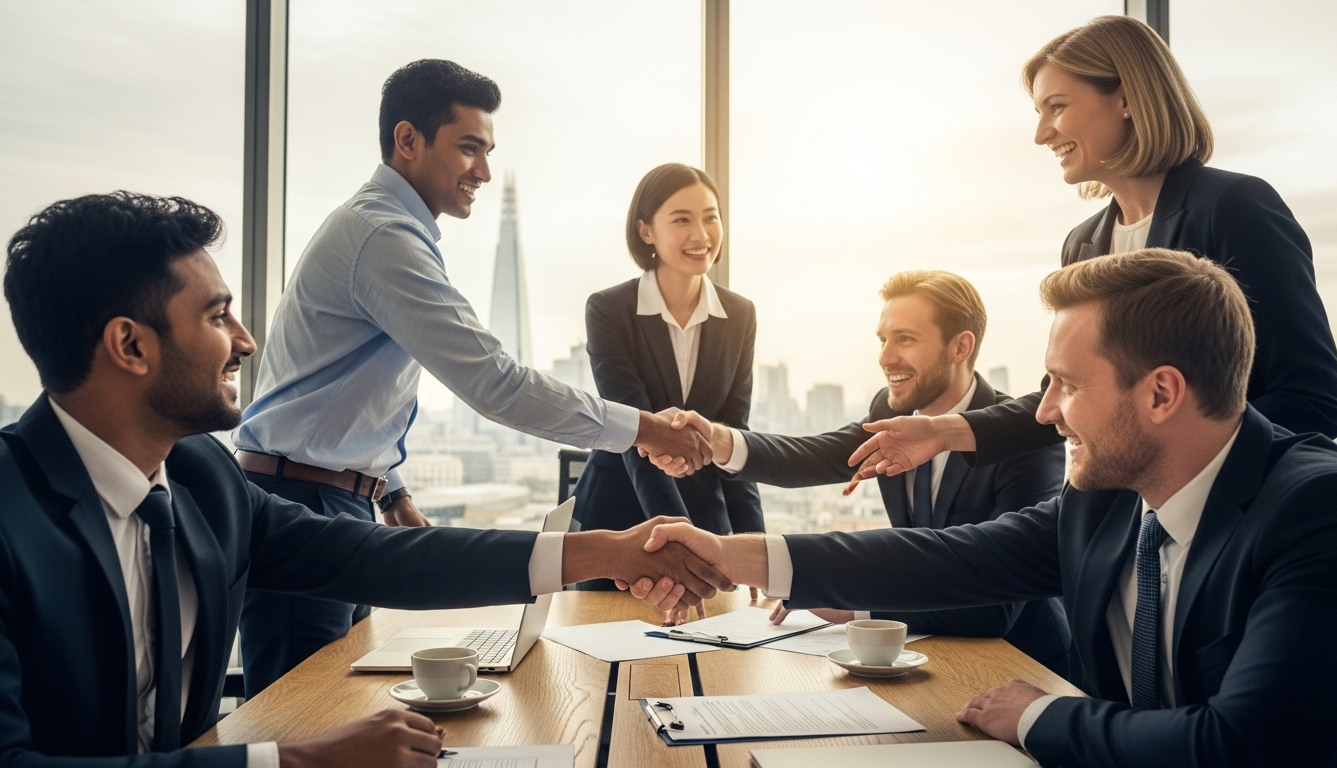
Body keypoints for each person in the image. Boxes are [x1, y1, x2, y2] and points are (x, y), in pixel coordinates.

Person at [0, 192, 729, 767]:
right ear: (130, 345)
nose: (245, 341)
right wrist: (298, 760)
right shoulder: (10, 516)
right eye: (218, 317)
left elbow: (376, 557)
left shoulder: (199, 482)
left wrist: (607, 551)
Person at [634, 249, 1337, 766]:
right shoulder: (1105, 502)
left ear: (1161, 394)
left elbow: (1242, 749)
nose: (1042, 413)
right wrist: (733, 556)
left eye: (1065, 384)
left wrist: (1037, 717)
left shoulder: (1331, 517)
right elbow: (960, 557)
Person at [231, 60, 711, 697]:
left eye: (487, 152)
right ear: (408, 140)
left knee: (334, 707)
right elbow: (495, 383)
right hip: (303, 504)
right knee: (303, 715)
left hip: (331, 499)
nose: (482, 170)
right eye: (468, 147)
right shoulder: (383, 236)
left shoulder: (387, 229)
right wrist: (646, 428)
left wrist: (390, 492)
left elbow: (338, 391)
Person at [848, 15, 1337, 483]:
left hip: (1221, 517)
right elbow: (1071, 399)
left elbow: (1314, 399)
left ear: (1126, 98)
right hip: (1123, 517)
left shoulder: (1233, 208)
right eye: (1040, 113)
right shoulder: (1083, 244)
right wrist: (944, 432)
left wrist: (1176, 475)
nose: (1041, 134)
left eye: (1057, 107)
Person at [662, 270, 1070, 672]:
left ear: (960, 346)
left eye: (905, 339)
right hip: (926, 654)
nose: (885, 357)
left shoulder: (1024, 443)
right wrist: (720, 441)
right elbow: (814, 455)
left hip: (1022, 666)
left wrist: (852, 604)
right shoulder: (888, 411)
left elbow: (997, 609)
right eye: (883, 339)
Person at [571, 164, 763, 599]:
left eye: (711, 217)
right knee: (604, 634)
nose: (701, 234)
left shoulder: (740, 314)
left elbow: (735, 434)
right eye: (681, 219)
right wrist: (677, 538)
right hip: (619, 518)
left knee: (718, 640)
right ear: (646, 231)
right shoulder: (609, 310)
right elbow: (634, 431)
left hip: (706, 518)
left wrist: (755, 543)